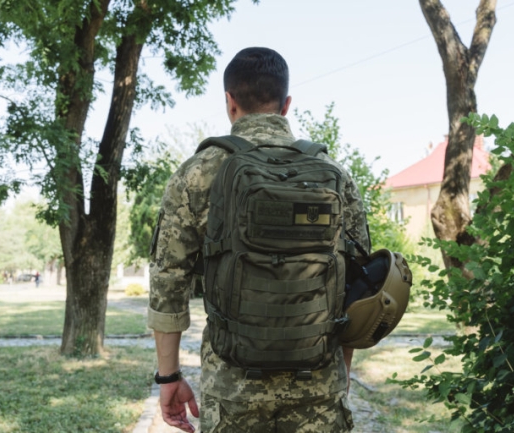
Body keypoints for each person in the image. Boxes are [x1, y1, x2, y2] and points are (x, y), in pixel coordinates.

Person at [148, 47, 370, 433]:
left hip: (233, 389)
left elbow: (168, 279)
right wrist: (340, 374)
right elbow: (360, 284)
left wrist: (169, 377)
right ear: (286, 104)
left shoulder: (198, 173)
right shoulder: (333, 174)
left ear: (230, 102)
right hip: (318, 385)